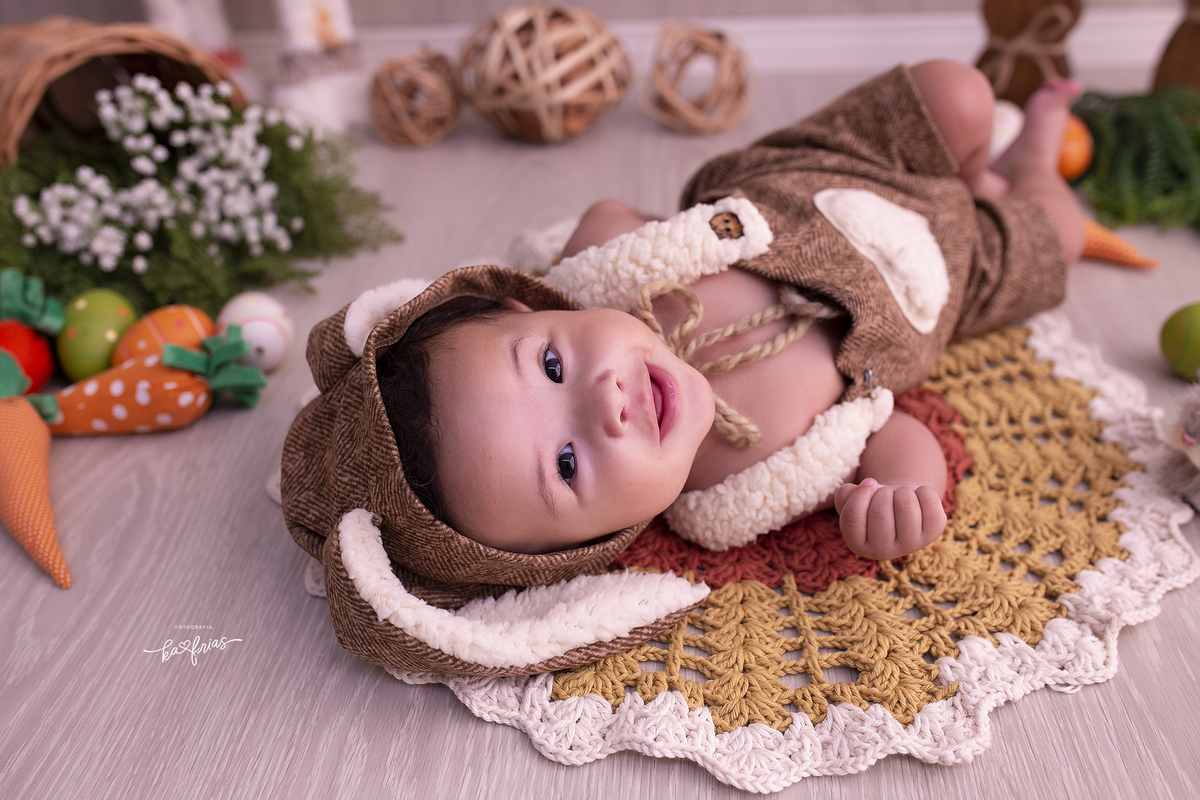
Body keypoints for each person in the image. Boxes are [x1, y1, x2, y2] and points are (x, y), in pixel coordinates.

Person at [376, 59, 1083, 563]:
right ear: (600, 543)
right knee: (1062, 235)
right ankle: (1034, 164)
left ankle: (973, 166)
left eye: (551, 363)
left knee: (956, 91)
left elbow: (618, 214)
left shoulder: (607, 271)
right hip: (949, 279)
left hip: (835, 167)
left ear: (526, 305)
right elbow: (891, 430)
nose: (607, 405)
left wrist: (603, 261)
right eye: (565, 464)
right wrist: (900, 493)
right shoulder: (749, 481)